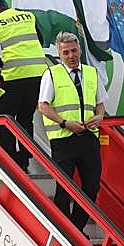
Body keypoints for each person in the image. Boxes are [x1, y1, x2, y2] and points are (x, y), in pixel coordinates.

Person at [36, 32, 106, 233]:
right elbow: (43, 106)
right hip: (64, 139)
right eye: (65, 53)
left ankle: (75, 227)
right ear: (59, 54)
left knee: (92, 186)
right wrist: (64, 122)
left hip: (88, 136)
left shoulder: (92, 73)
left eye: (74, 51)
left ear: (80, 50)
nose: (71, 56)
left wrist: (99, 117)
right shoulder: (52, 74)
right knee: (64, 188)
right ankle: (64, 230)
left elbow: (100, 104)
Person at [0, 0, 48, 169]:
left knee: (5, 117)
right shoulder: (28, 16)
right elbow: (41, 40)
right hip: (38, 75)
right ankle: (25, 154)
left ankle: (11, 158)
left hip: (13, 75)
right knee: (25, 117)